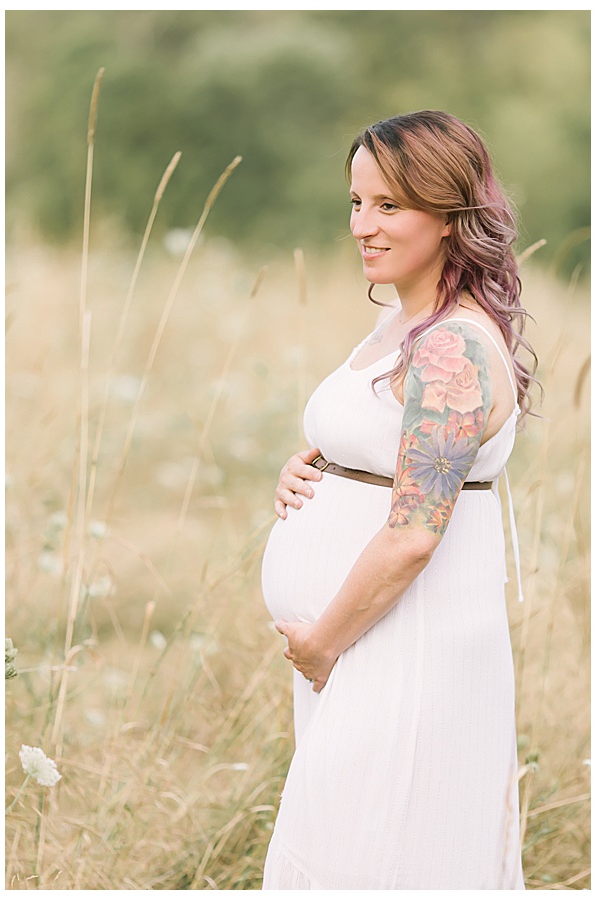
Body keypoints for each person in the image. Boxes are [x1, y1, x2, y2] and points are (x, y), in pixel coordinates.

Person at [261, 110, 532, 888]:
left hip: (401, 644)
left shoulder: (450, 343)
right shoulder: (399, 321)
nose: (362, 226)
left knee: (382, 858)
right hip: (364, 644)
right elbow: (379, 445)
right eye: (355, 202)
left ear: (449, 217)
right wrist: (308, 470)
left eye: (390, 206)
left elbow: (415, 532)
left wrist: (322, 644)